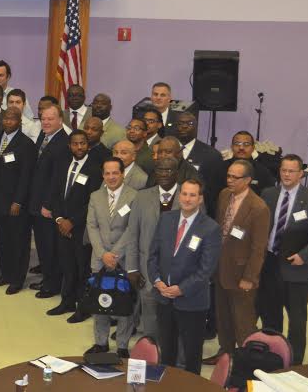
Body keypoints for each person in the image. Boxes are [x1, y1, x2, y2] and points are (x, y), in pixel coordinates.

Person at [259, 154, 308, 365]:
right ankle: (272, 358)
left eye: (291, 171)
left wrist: (304, 256)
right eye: (283, 170)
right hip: (270, 265)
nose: (286, 175)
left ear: (301, 174)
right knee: (270, 317)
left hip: (297, 269)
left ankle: (295, 364)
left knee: (297, 320)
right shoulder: (268, 194)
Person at [148, 178, 222, 375]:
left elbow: (206, 270)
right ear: (179, 196)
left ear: (200, 199)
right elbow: (152, 255)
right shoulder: (166, 219)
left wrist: (181, 289)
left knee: (191, 354)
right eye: (184, 194)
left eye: (192, 195)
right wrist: (157, 281)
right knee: (167, 352)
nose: (187, 199)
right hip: (164, 298)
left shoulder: (210, 228)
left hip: (192, 301)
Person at [203, 160, 270, 365]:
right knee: (222, 316)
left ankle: (248, 359)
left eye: (235, 177)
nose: (229, 180)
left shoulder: (258, 208)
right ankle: (225, 352)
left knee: (243, 320)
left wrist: (250, 277)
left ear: (248, 180)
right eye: (229, 175)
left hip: (242, 274)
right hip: (221, 268)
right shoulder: (224, 195)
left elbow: (259, 248)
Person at [85, 157, 138, 357]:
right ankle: (101, 343)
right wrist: (102, 253)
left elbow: (132, 228)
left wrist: (115, 254)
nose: (111, 177)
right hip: (99, 259)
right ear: (102, 175)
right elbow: (92, 226)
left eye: (115, 172)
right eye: (107, 173)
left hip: (124, 259)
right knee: (100, 301)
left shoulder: (134, 196)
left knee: (124, 303)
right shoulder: (95, 196)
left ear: (122, 173)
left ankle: (122, 345)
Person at [48, 130, 103, 322]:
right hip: (61, 225)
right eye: (75, 143)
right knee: (67, 266)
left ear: (88, 145)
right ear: (69, 145)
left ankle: (83, 307)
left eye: (82, 143)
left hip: (81, 228)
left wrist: (72, 221)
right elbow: (54, 193)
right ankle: (67, 301)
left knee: (82, 269)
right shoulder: (63, 164)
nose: (79, 147)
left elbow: (92, 202)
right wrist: (59, 219)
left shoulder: (95, 168)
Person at [126, 156, 183, 340]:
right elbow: (133, 234)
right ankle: (151, 355)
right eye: (160, 170)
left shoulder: (189, 196)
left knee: (175, 322)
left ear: (177, 173)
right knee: (149, 318)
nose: (164, 174)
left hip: (177, 273)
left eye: (169, 170)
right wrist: (132, 268)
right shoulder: (142, 197)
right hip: (146, 270)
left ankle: (172, 359)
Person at [0, 108, 36, 294]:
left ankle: (17, 279)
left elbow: (26, 177)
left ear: (19, 122)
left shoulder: (26, 144)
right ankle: (5, 274)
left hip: (16, 204)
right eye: (6, 118)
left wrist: (18, 201)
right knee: (3, 241)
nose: (8, 122)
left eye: (12, 119)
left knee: (18, 242)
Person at [28, 103, 69, 298]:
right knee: (43, 246)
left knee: (50, 247)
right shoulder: (44, 137)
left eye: (50, 119)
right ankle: (47, 279)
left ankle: (52, 285)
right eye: (43, 118)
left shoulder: (63, 142)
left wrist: (48, 205)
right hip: (37, 203)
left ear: (60, 120)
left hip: (48, 207)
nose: (46, 122)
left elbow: (58, 179)